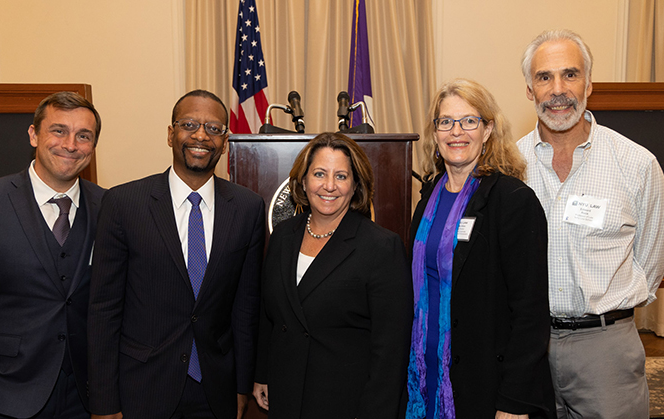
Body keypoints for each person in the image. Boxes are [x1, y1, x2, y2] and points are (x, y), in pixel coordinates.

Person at [516, 30, 664, 419]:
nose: (557, 90)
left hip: (606, 349)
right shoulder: (510, 165)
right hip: (528, 347)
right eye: (544, 77)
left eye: (570, 75)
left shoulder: (636, 164)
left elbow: (651, 256)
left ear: (589, 84)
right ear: (529, 90)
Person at [88, 89, 265, 419]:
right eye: (189, 124)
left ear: (225, 141)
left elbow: (246, 307)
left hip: (216, 391)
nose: (201, 135)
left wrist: (242, 387)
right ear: (171, 134)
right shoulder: (124, 204)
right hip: (142, 389)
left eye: (213, 128)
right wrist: (104, 400)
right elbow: (104, 310)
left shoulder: (247, 208)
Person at [0, 91, 103, 418]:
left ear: (92, 146)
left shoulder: (109, 207)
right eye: (58, 130)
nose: (71, 144)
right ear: (33, 134)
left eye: (84, 136)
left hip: (85, 396)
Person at [406, 79, 555, 419]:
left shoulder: (513, 201)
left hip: (486, 382)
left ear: (488, 129)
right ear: (435, 132)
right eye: (446, 122)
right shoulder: (428, 197)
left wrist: (514, 401)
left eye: (469, 121)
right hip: (426, 373)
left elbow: (530, 313)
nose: (456, 132)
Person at [252, 132, 413, 419]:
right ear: (303, 181)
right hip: (286, 396)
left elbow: (391, 350)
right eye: (319, 174)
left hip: (347, 403)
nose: (329, 186)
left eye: (341, 176)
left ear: (355, 186)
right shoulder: (283, 236)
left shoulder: (380, 246)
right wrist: (262, 372)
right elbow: (270, 315)